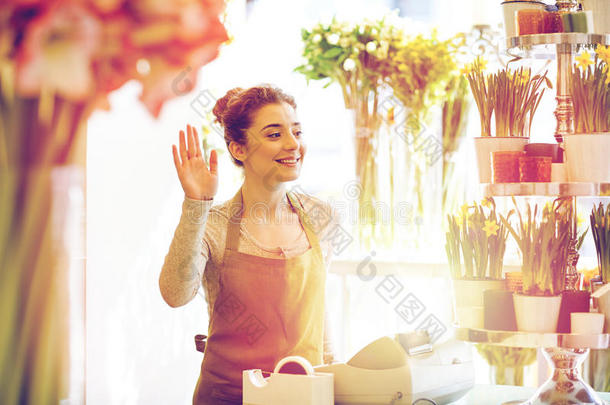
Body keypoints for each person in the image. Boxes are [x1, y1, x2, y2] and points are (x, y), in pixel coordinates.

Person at [159, 84, 339, 405]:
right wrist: (196, 203)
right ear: (239, 149)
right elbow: (175, 294)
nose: (293, 144)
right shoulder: (213, 224)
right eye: (274, 135)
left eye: (296, 132)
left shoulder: (320, 216)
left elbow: (318, 315)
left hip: (305, 397)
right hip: (228, 397)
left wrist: (335, 384)